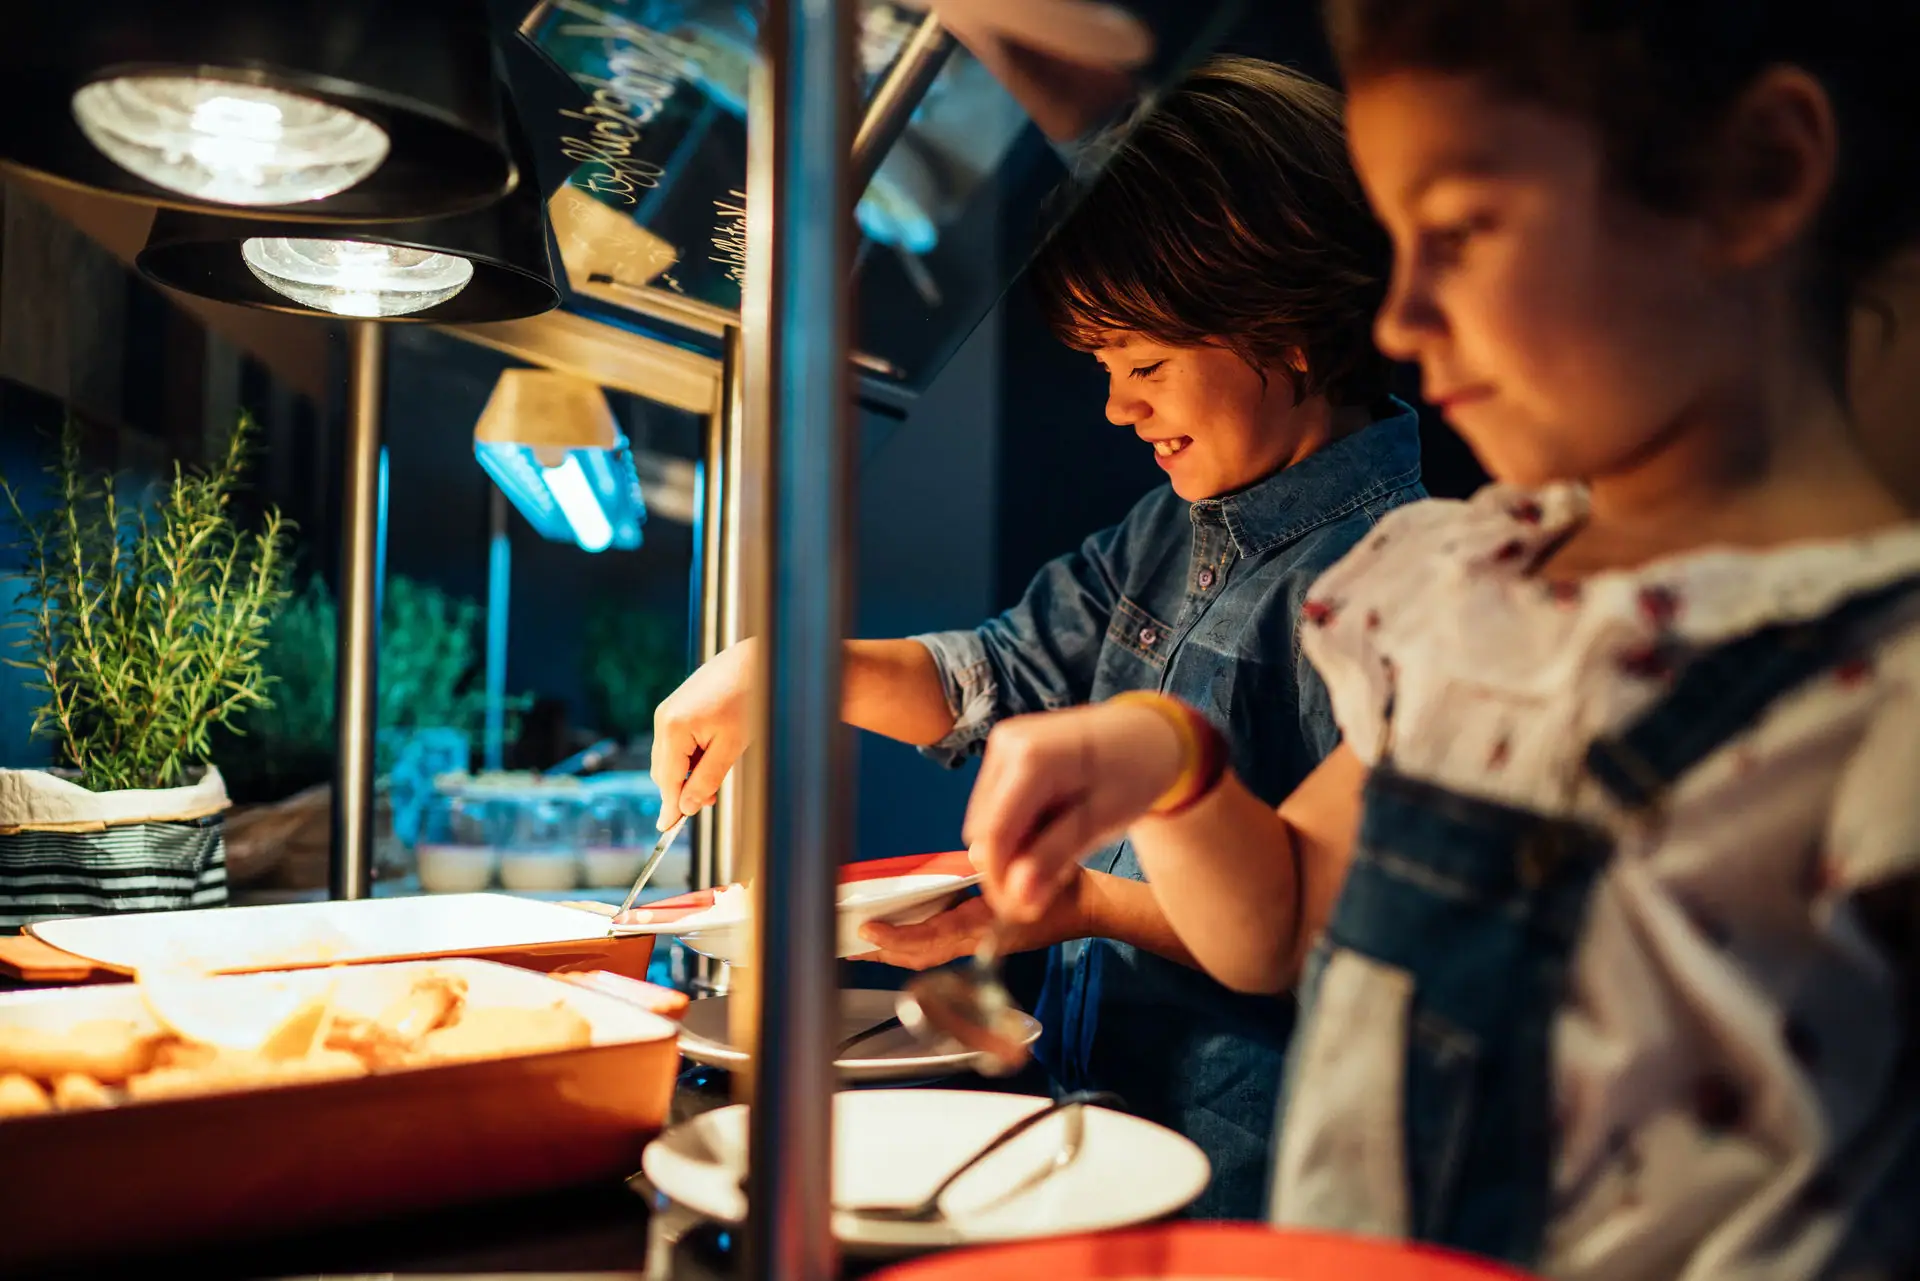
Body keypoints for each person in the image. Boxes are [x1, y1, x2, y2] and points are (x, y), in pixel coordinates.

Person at [954, 2, 1920, 1276]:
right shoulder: (1458, 592)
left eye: (1459, 233)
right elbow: (1276, 923)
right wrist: (1168, 761)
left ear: (1762, 175)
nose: (1400, 317)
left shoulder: (1885, 696)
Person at [647, 56, 1426, 1218]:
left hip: (1257, 1183)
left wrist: (1088, 905)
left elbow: (1327, 932)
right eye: (1106, 369)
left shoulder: (1404, 580)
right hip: (1097, 1125)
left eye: (1146, 364)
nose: (1118, 406)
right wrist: (781, 672)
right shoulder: (1168, 531)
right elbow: (1000, 674)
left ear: (1294, 329)